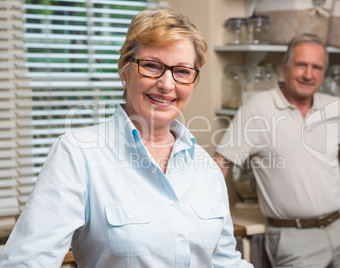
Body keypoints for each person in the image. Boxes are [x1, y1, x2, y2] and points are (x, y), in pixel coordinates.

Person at [0, 9, 253, 268]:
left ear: (193, 81)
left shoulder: (206, 168)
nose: (167, 84)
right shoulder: (77, 154)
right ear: (124, 71)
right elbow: (25, 262)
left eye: (182, 71)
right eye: (152, 66)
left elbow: (225, 262)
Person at [214, 33, 340, 267]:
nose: (308, 74)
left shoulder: (336, 107)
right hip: (294, 239)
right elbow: (221, 163)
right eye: (301, 65)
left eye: (316, 67)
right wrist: (207, 218)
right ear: (284, 67)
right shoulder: (258, 108)